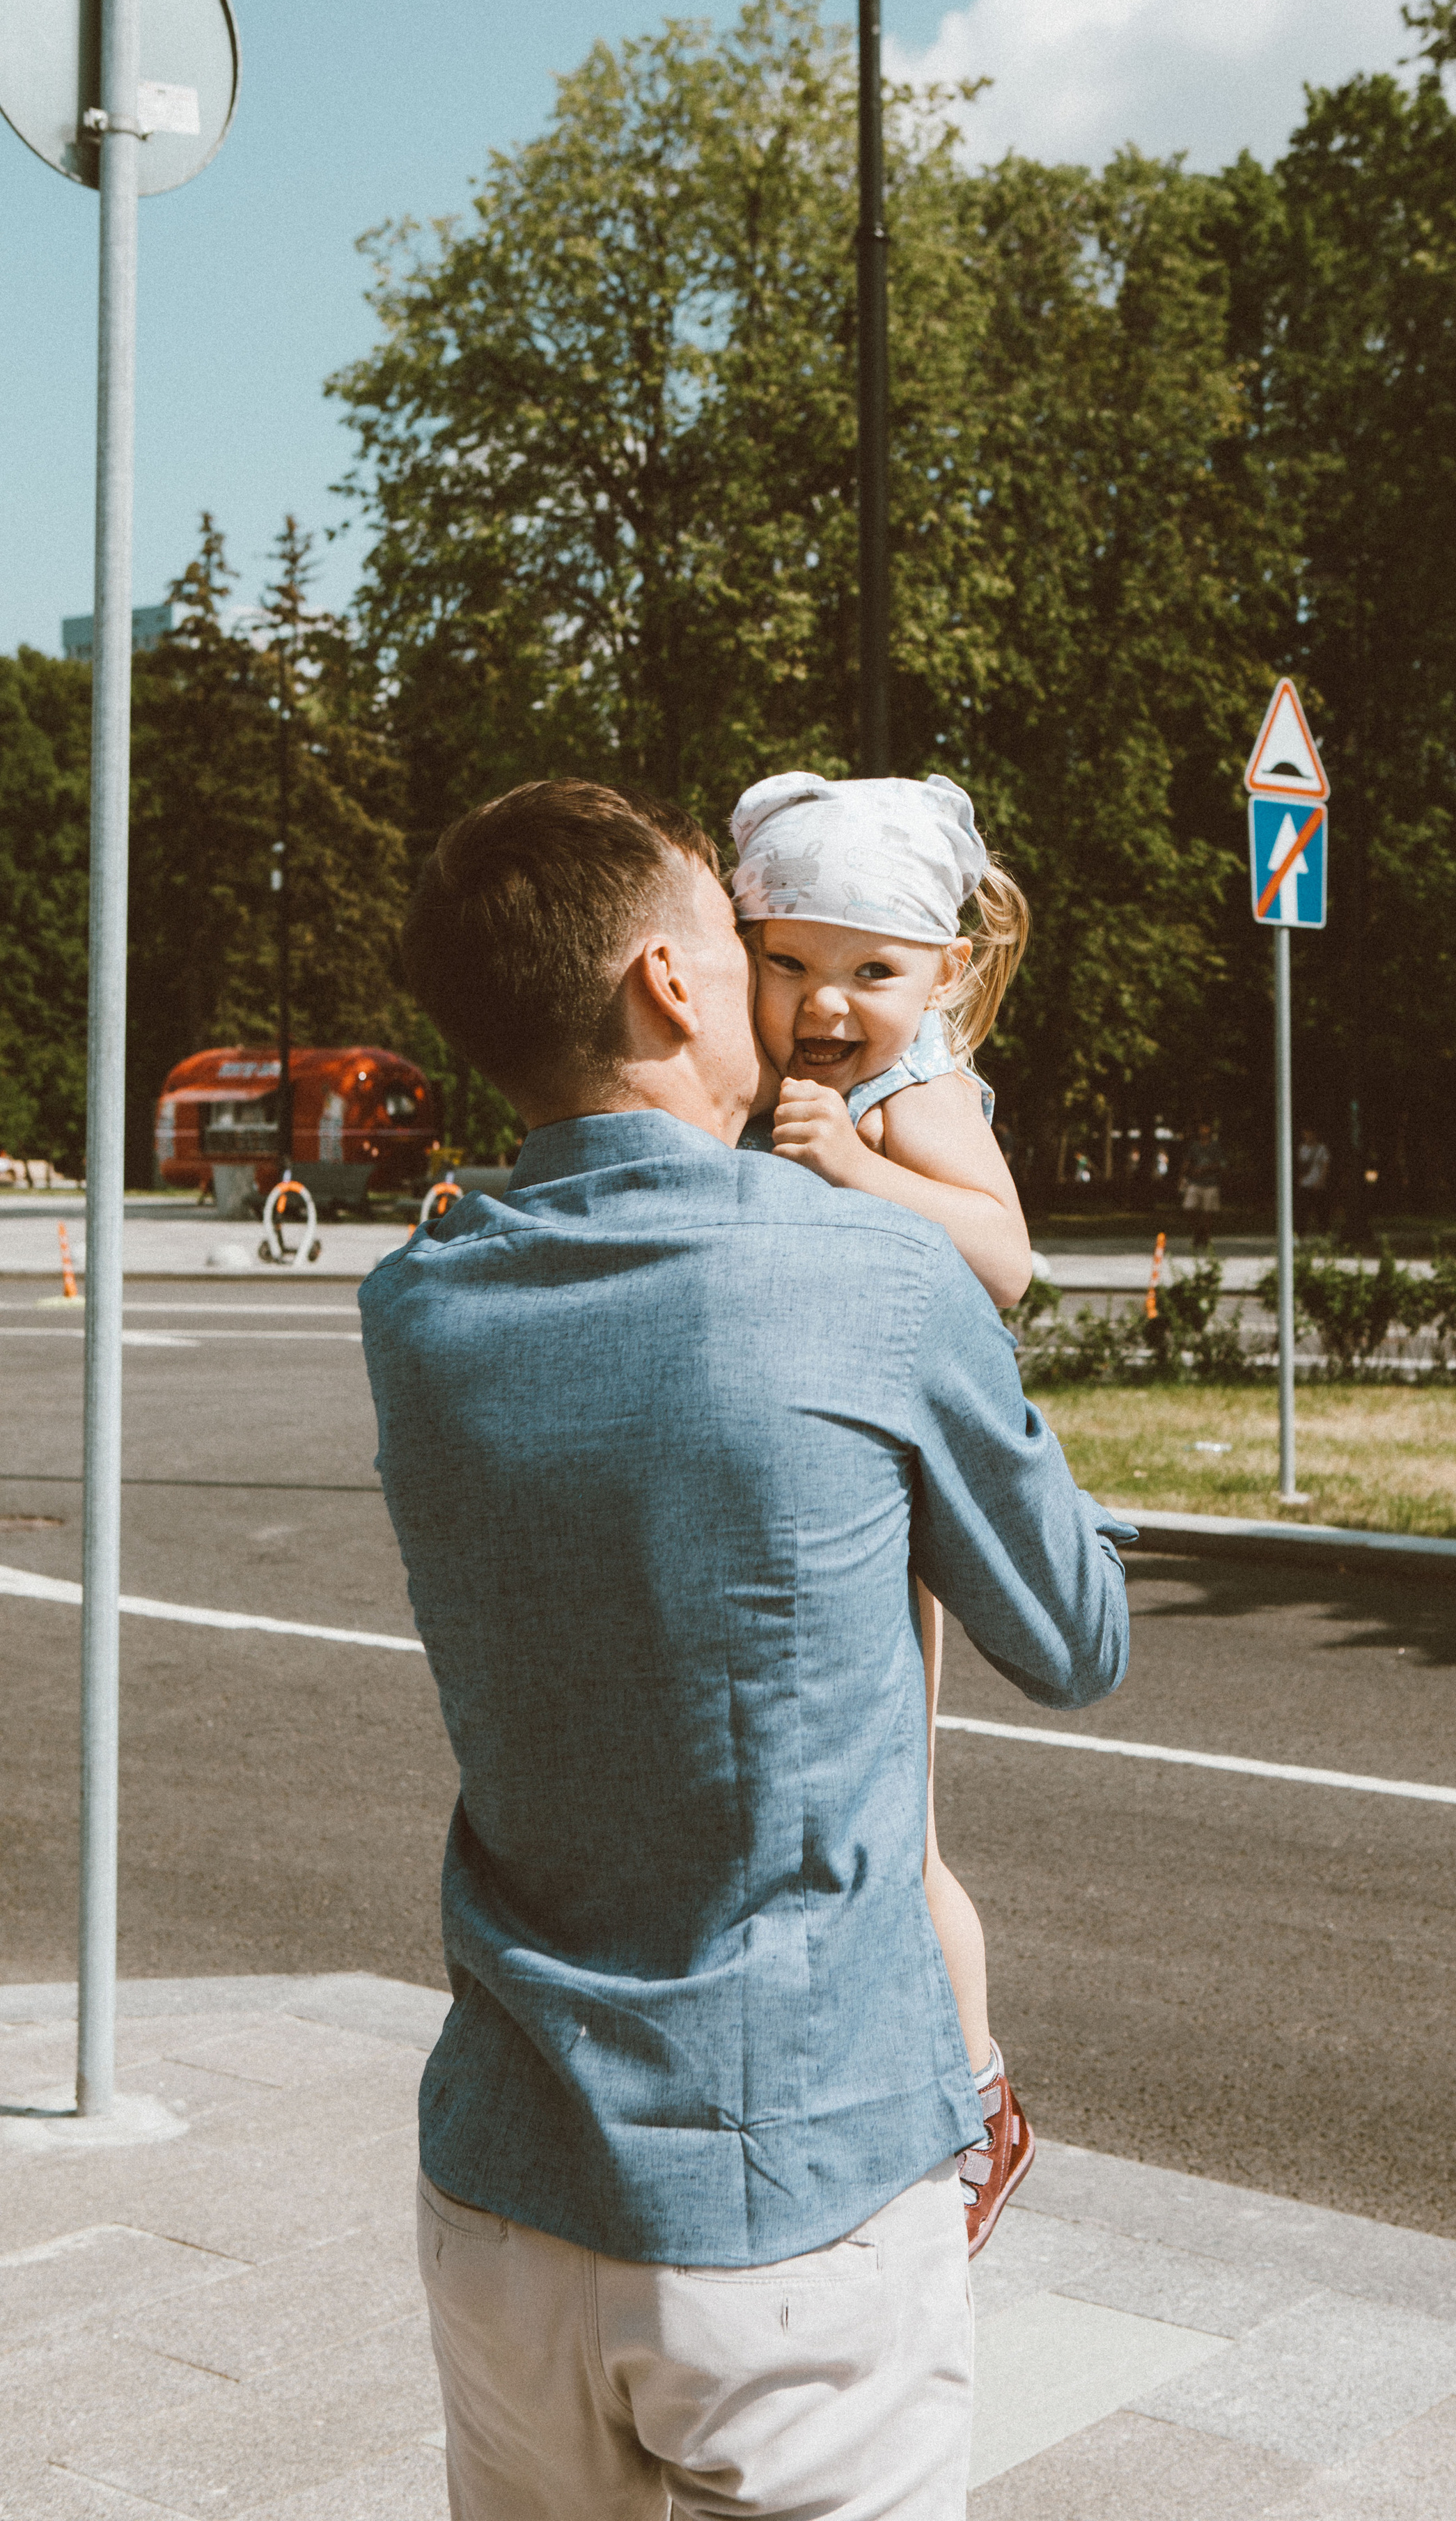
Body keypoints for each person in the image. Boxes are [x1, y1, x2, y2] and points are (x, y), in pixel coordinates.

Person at [361, 779, 1132, 2521]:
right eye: (742, 935)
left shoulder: (416, 1306)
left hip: (501, 2182)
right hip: (789, 2204)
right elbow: (1074, 1638)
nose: (793, 989)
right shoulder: (867, 1274)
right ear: (667, 983)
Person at [729, 768, 1030, 2255]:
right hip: (806, 1465)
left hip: (889, 1485)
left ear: (943, 975)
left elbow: (1003, 1257)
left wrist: (853, 1163)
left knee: (891, 1825)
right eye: (784, 962)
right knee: (828, 1802)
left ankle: (976, 2100)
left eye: (871, 971)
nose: (824, 1002)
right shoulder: (772, 1079)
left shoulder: (912, 1092)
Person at [1178, 1119, 1226, 1250]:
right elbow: (1187, 1163)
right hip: (1195, 1182)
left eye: (1205, 1128)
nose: (1203, 1131)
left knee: (1208, 1213)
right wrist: (1182, 1177)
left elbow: (1221, 1164)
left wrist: (1206, 1169)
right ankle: (1199, 1231)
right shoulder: (1194, 1146)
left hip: (1210, 1183)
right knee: (1188, 1208)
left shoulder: (1215, 1146)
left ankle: (1206, 1238)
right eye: (1201, 1128)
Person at [1297, 1124, 1332, 1236]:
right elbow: (1300, 1165)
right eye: (1305, 1135)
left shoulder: (1322, 1149)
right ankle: (1299, 1235)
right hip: (1304, 1184)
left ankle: (1324, 1234)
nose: (1307, 1137)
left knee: (1321, 1213)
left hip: (1318, 1185)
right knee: (1302, 1213)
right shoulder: (1302, 1148)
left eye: (1309, 1134)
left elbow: (1326, 1167)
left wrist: (1321, 1181)